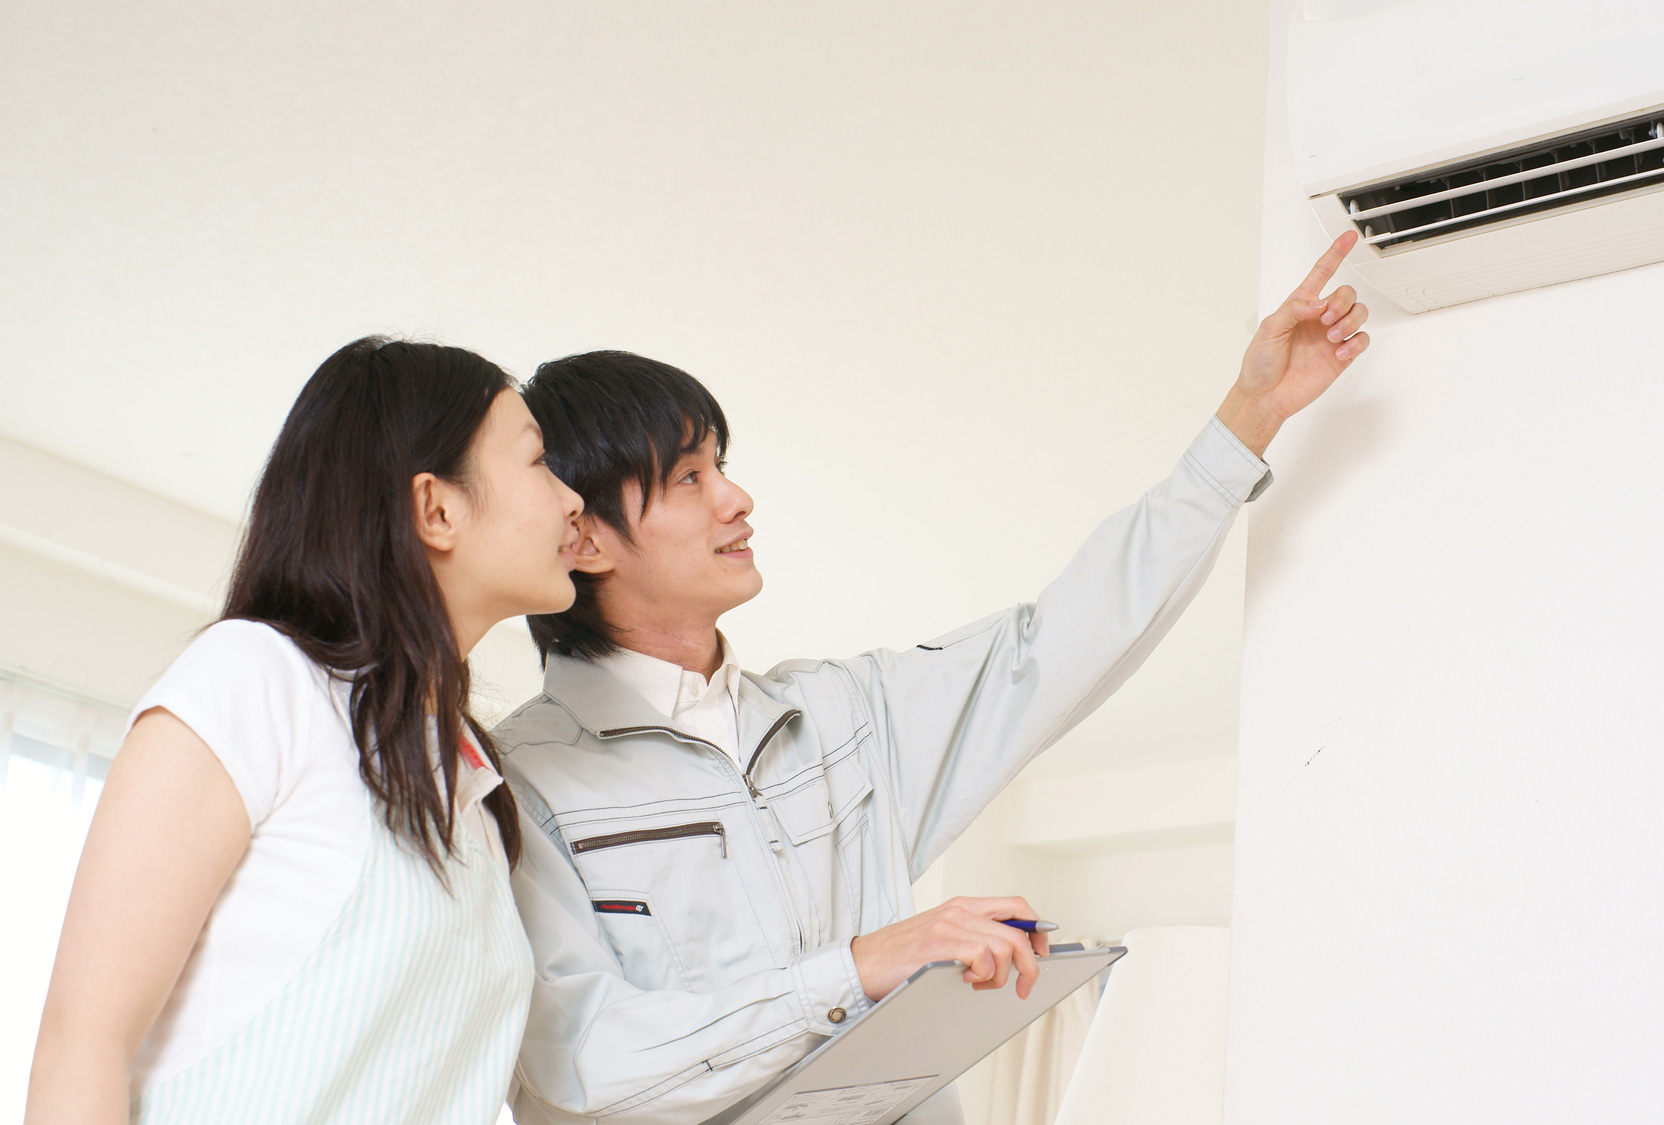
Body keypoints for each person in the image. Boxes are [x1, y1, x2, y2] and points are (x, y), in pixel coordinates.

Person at [496, 235, 1372, 1124]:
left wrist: (1247, 418)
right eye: (689, 476)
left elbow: (1068, 634)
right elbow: (580, 1059)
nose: (736, 497)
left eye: (721, 463)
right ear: (583, 535)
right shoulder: (518, 780)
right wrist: (858, 968)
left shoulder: (843, 714)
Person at [26, 338, 585, 1125]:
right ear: (437, 509)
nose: (572, 500)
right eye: (538, 461)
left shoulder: (474, 787)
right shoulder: (257, 677)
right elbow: (81, 1045)